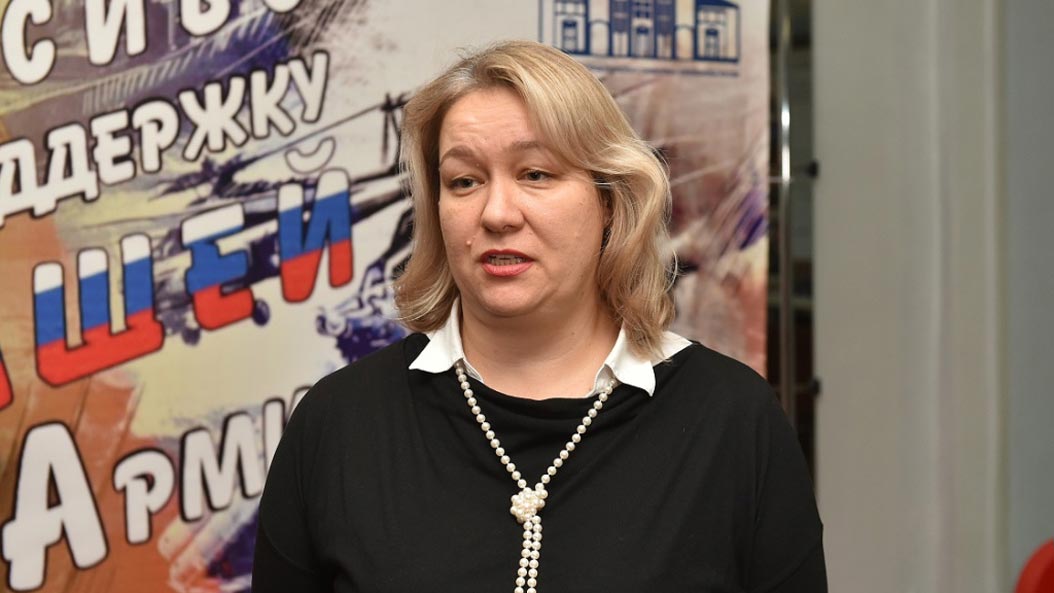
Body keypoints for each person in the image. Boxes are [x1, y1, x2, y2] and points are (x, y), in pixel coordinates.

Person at [252, 40, 825, 593]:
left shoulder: (733, 421)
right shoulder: (337, 424)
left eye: (536, 174)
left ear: (609, 199)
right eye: (464, 181)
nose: (497, 213)